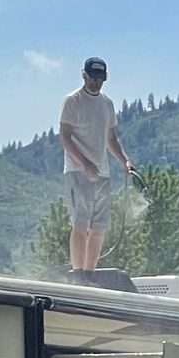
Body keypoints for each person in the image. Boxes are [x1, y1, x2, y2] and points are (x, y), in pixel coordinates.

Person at [59, 56, 135, 272]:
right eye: (92, 77)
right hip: (77, 171)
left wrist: (125, 161)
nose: (95, 81)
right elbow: (65, 137)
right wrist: (84, 164)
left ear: (105, 78)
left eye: (100, 78)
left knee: (99, 227)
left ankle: (90, 272)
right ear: (84, 75)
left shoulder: (107, 104)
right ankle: (78, 272)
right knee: (81, 224)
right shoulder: (72, 101)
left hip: (102, 173)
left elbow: (111, 139)